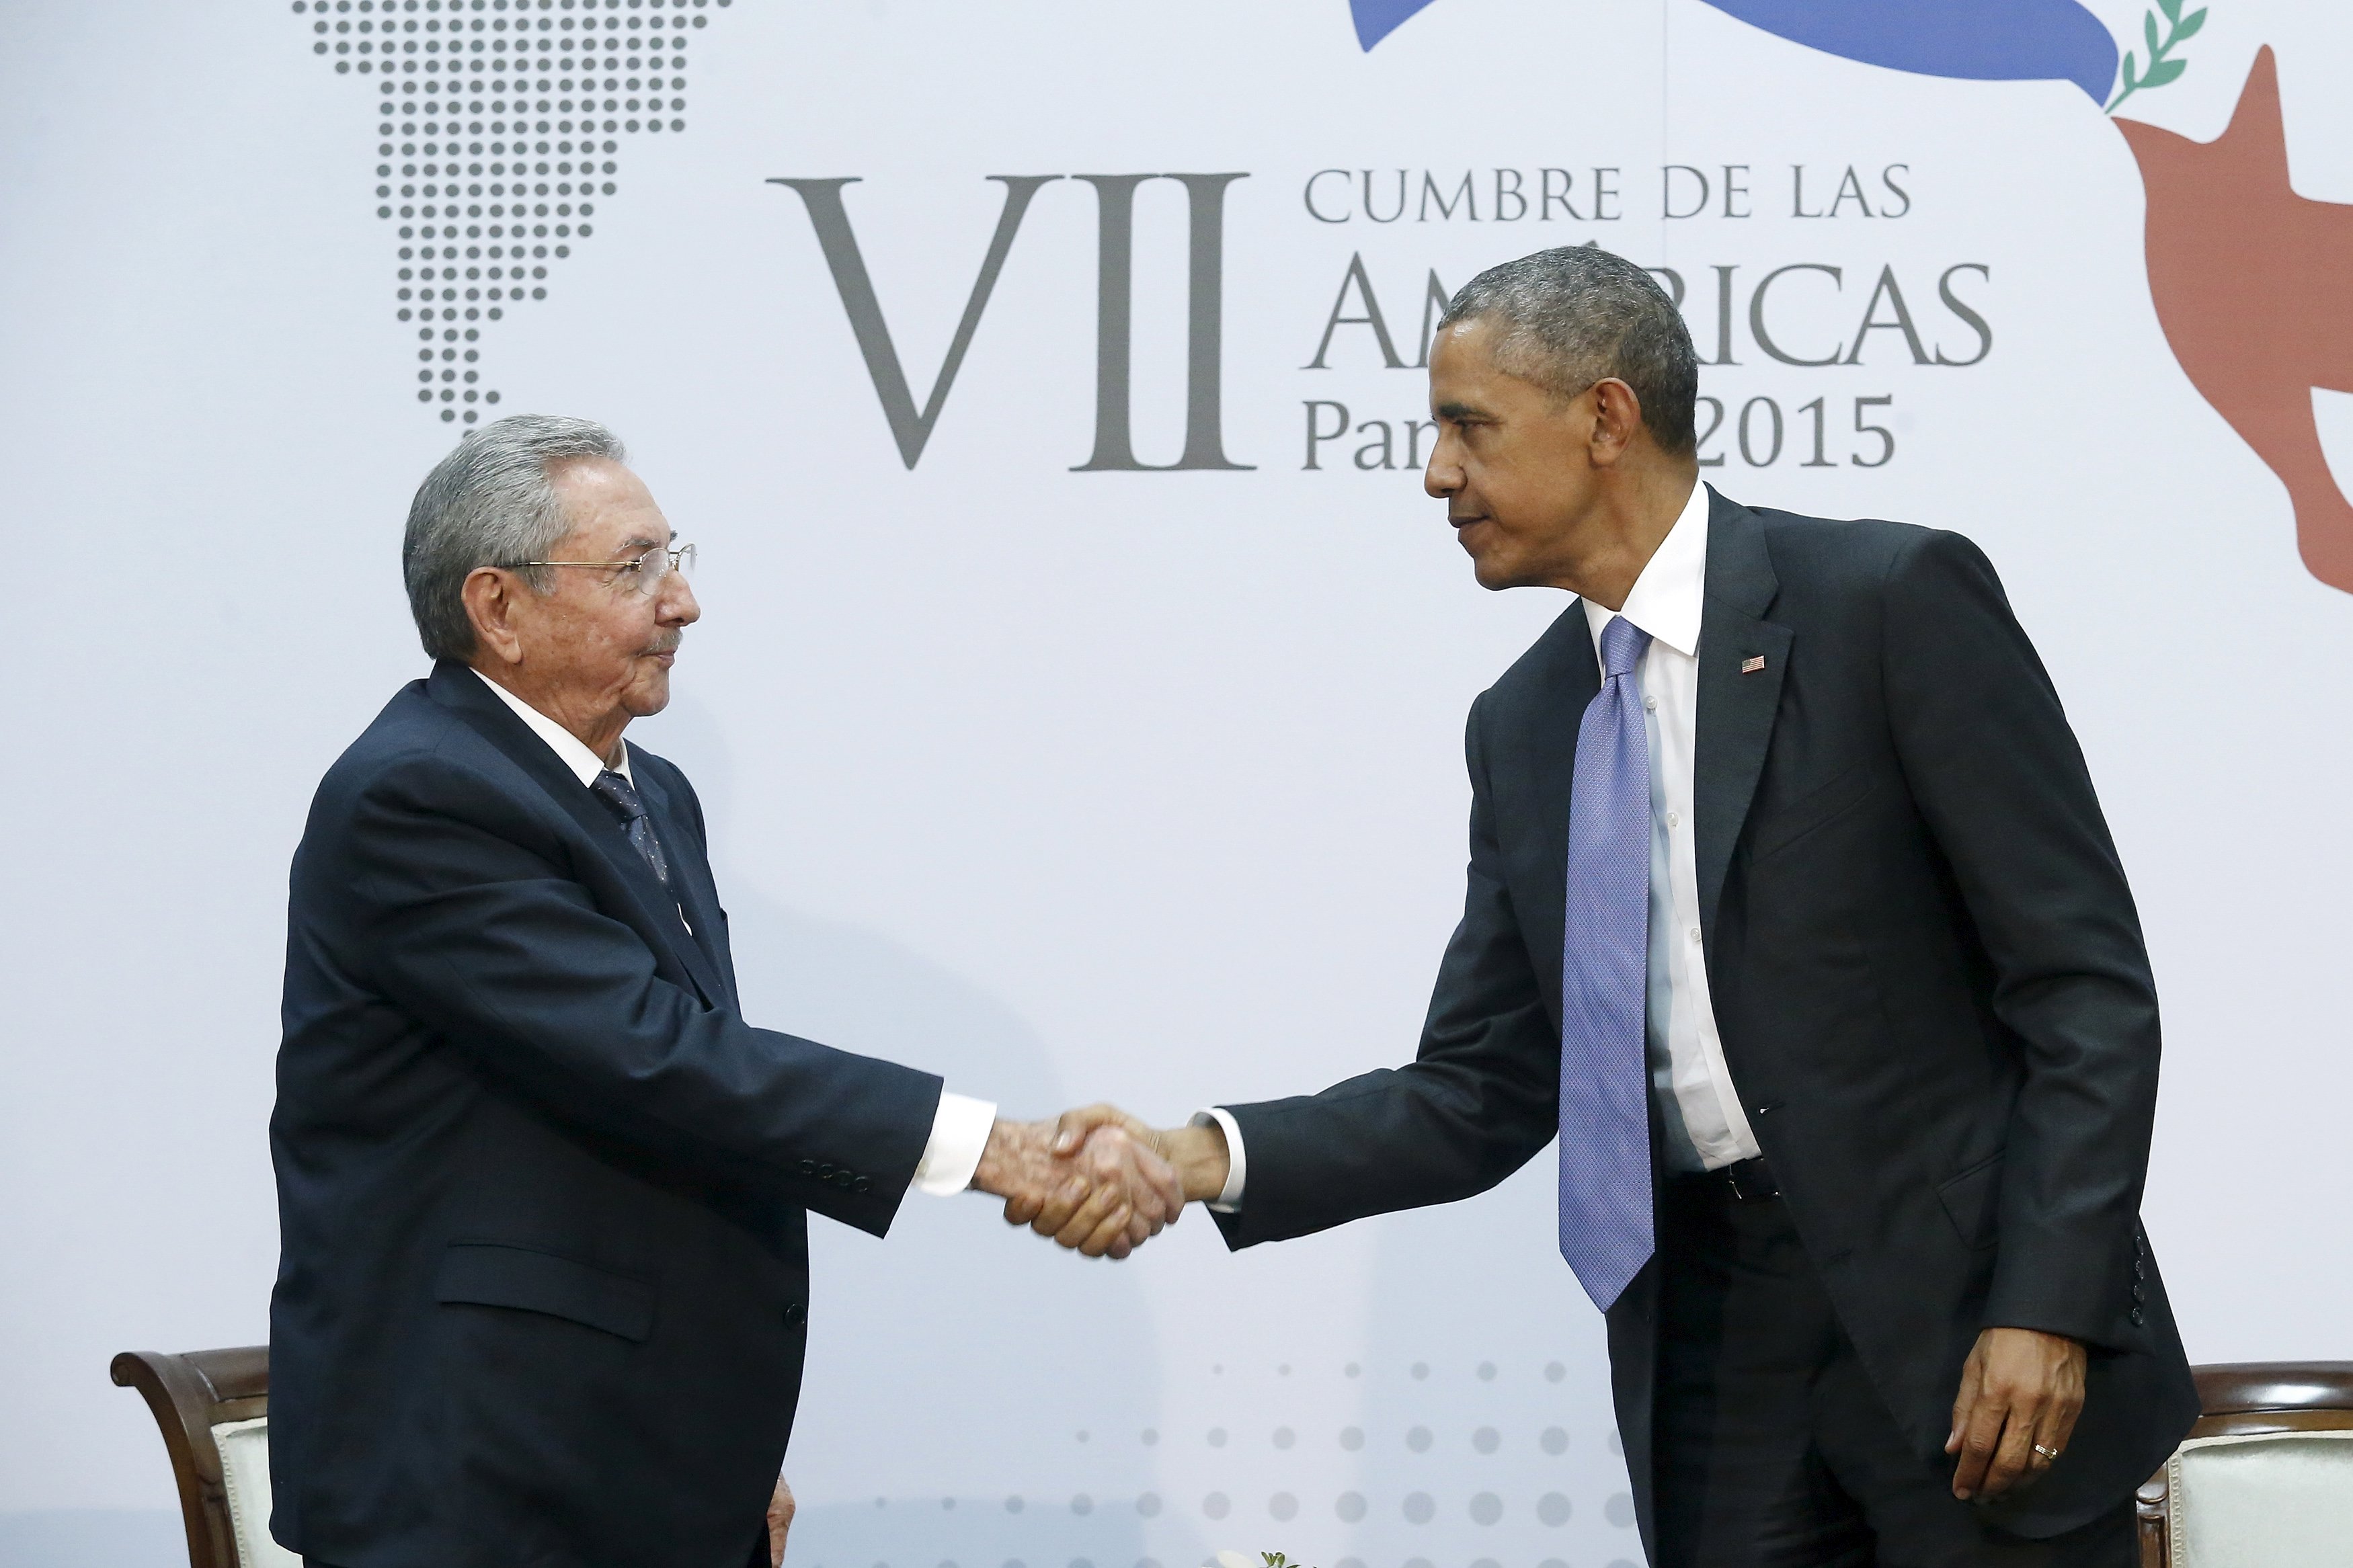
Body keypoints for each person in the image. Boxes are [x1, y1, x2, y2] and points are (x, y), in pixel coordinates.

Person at [1055, 246, 2199, 1566]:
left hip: (1961, 1335)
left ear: (1605, 418)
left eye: (1466, 428)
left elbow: (2082, 990)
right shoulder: (1527, 726)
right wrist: (1197, 1156)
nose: (1436, 476)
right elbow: (1481, 1088)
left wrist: (2048, 1308)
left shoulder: (1887, 605)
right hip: (1712, 1356)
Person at [269, 415, 1181, 1568]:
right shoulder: (419, 798)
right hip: (479, 1484)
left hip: (631, 1458)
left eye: (676, 556)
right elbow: (657, 1055)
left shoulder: (653, 796)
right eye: (634, 567)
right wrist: (992, 1147)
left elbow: (684, 1120)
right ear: (497, 608)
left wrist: (717, 1445)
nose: (683, 601)